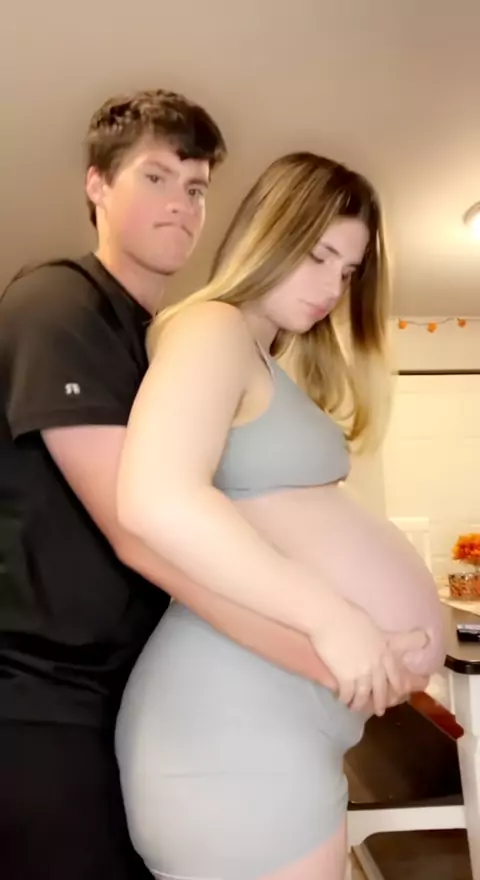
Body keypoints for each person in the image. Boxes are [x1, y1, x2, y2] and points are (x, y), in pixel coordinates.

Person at [0, 90, 386, 880]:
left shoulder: (157, 339)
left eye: (198, 187)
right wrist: (328, 648)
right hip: (41, 700)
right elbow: (142, 532)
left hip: (116, 688)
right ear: (96, 185)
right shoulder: (57, 304)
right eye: (155, 177)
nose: (181, 204)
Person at [115, 152, 446, 880]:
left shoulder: (262, 357)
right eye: (318, 255)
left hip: (278, 731)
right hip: (230, 734)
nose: (332, 287)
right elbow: (154, 497)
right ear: (267, 234)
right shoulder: (211, 327)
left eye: (348, 272)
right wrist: (335, 617)